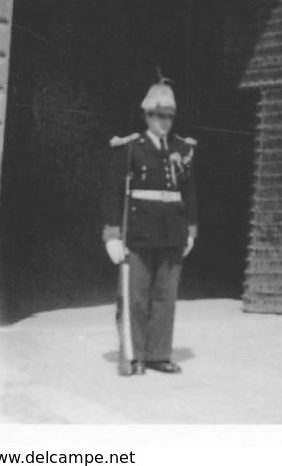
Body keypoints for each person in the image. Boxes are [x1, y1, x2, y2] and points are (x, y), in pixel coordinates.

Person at [101, 78, 198, 376]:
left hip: (171, 234)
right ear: (147, 116)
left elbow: (189, 192)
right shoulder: (131, 148)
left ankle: (158, 353)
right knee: (136, 298)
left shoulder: (183, 148)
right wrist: (112, 235)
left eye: (169, 116)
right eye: (159, 116)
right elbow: (112, 192)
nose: (164, 122)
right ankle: (134, 355)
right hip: (139, 235)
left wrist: (191, 229)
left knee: (164, 297)